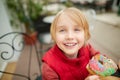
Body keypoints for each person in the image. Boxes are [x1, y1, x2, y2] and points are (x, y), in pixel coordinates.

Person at [41, 7, 101, 80]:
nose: (70, 36)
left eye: (76, 29)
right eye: (62, 30)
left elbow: (98, 57)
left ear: (85, 34)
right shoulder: (49, 66)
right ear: (54, 35)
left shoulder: (87, 47)